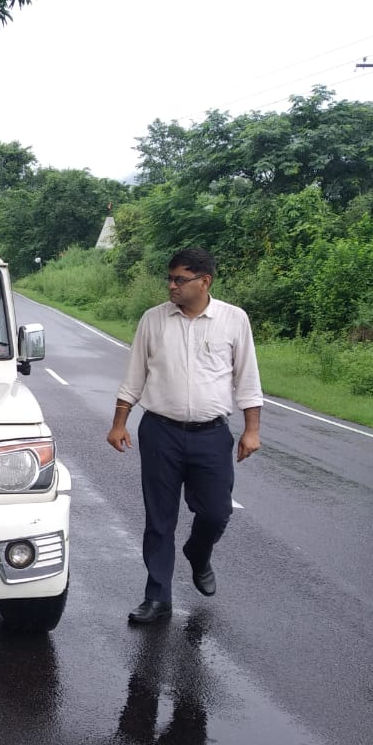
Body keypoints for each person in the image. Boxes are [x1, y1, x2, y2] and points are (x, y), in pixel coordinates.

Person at [107, 247, 262, 624]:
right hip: (160, 432)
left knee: (216, 511)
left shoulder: (233, 320)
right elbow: (135, 376)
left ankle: (198, 552)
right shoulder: (153, 320)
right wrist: (119, 422)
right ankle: (157, 597)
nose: (171, 285)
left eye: (180, 279)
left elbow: (247, 378)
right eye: (170, 278)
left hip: (212, 436)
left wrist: (252, 430)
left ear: (204, 281)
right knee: (159, 519)